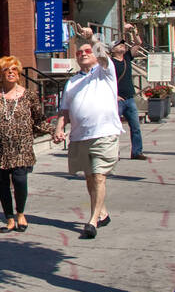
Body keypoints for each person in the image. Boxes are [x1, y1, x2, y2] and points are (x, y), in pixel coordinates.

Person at [51, 29, 124, 238]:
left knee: (99, 176)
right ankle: (102, 212)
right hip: (80, 136)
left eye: (87, 51)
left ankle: (92, 221)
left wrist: (91, 38)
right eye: (79, 52)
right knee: (90, 177)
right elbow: (64, 110)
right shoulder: (72, 82)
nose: (83, 53)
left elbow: (102, 54)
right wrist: (59, 129)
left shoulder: (105, 72)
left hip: (104, 132)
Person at [0, 56, 48, 232]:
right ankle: (9, 217)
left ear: (19, 73)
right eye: (6, 70)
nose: (11, 72)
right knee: (1, 183)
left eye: (14, 69)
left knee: (19, 179)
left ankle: (21, 213)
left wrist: (54, 131)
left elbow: (39, 120)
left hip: (21, 147)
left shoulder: (29, 95)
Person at [110, 40, 146, 159]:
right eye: (118, 45)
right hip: (117, 100)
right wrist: (114, 95)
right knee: (114, 128)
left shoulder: (126, 58)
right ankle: (114, 153)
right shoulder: (110, 63)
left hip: (130, 98)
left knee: (135, 127)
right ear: (112, 50)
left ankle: (137, 152)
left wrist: (133, 33)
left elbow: (138, 44)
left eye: (123, 44)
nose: (122, 46)